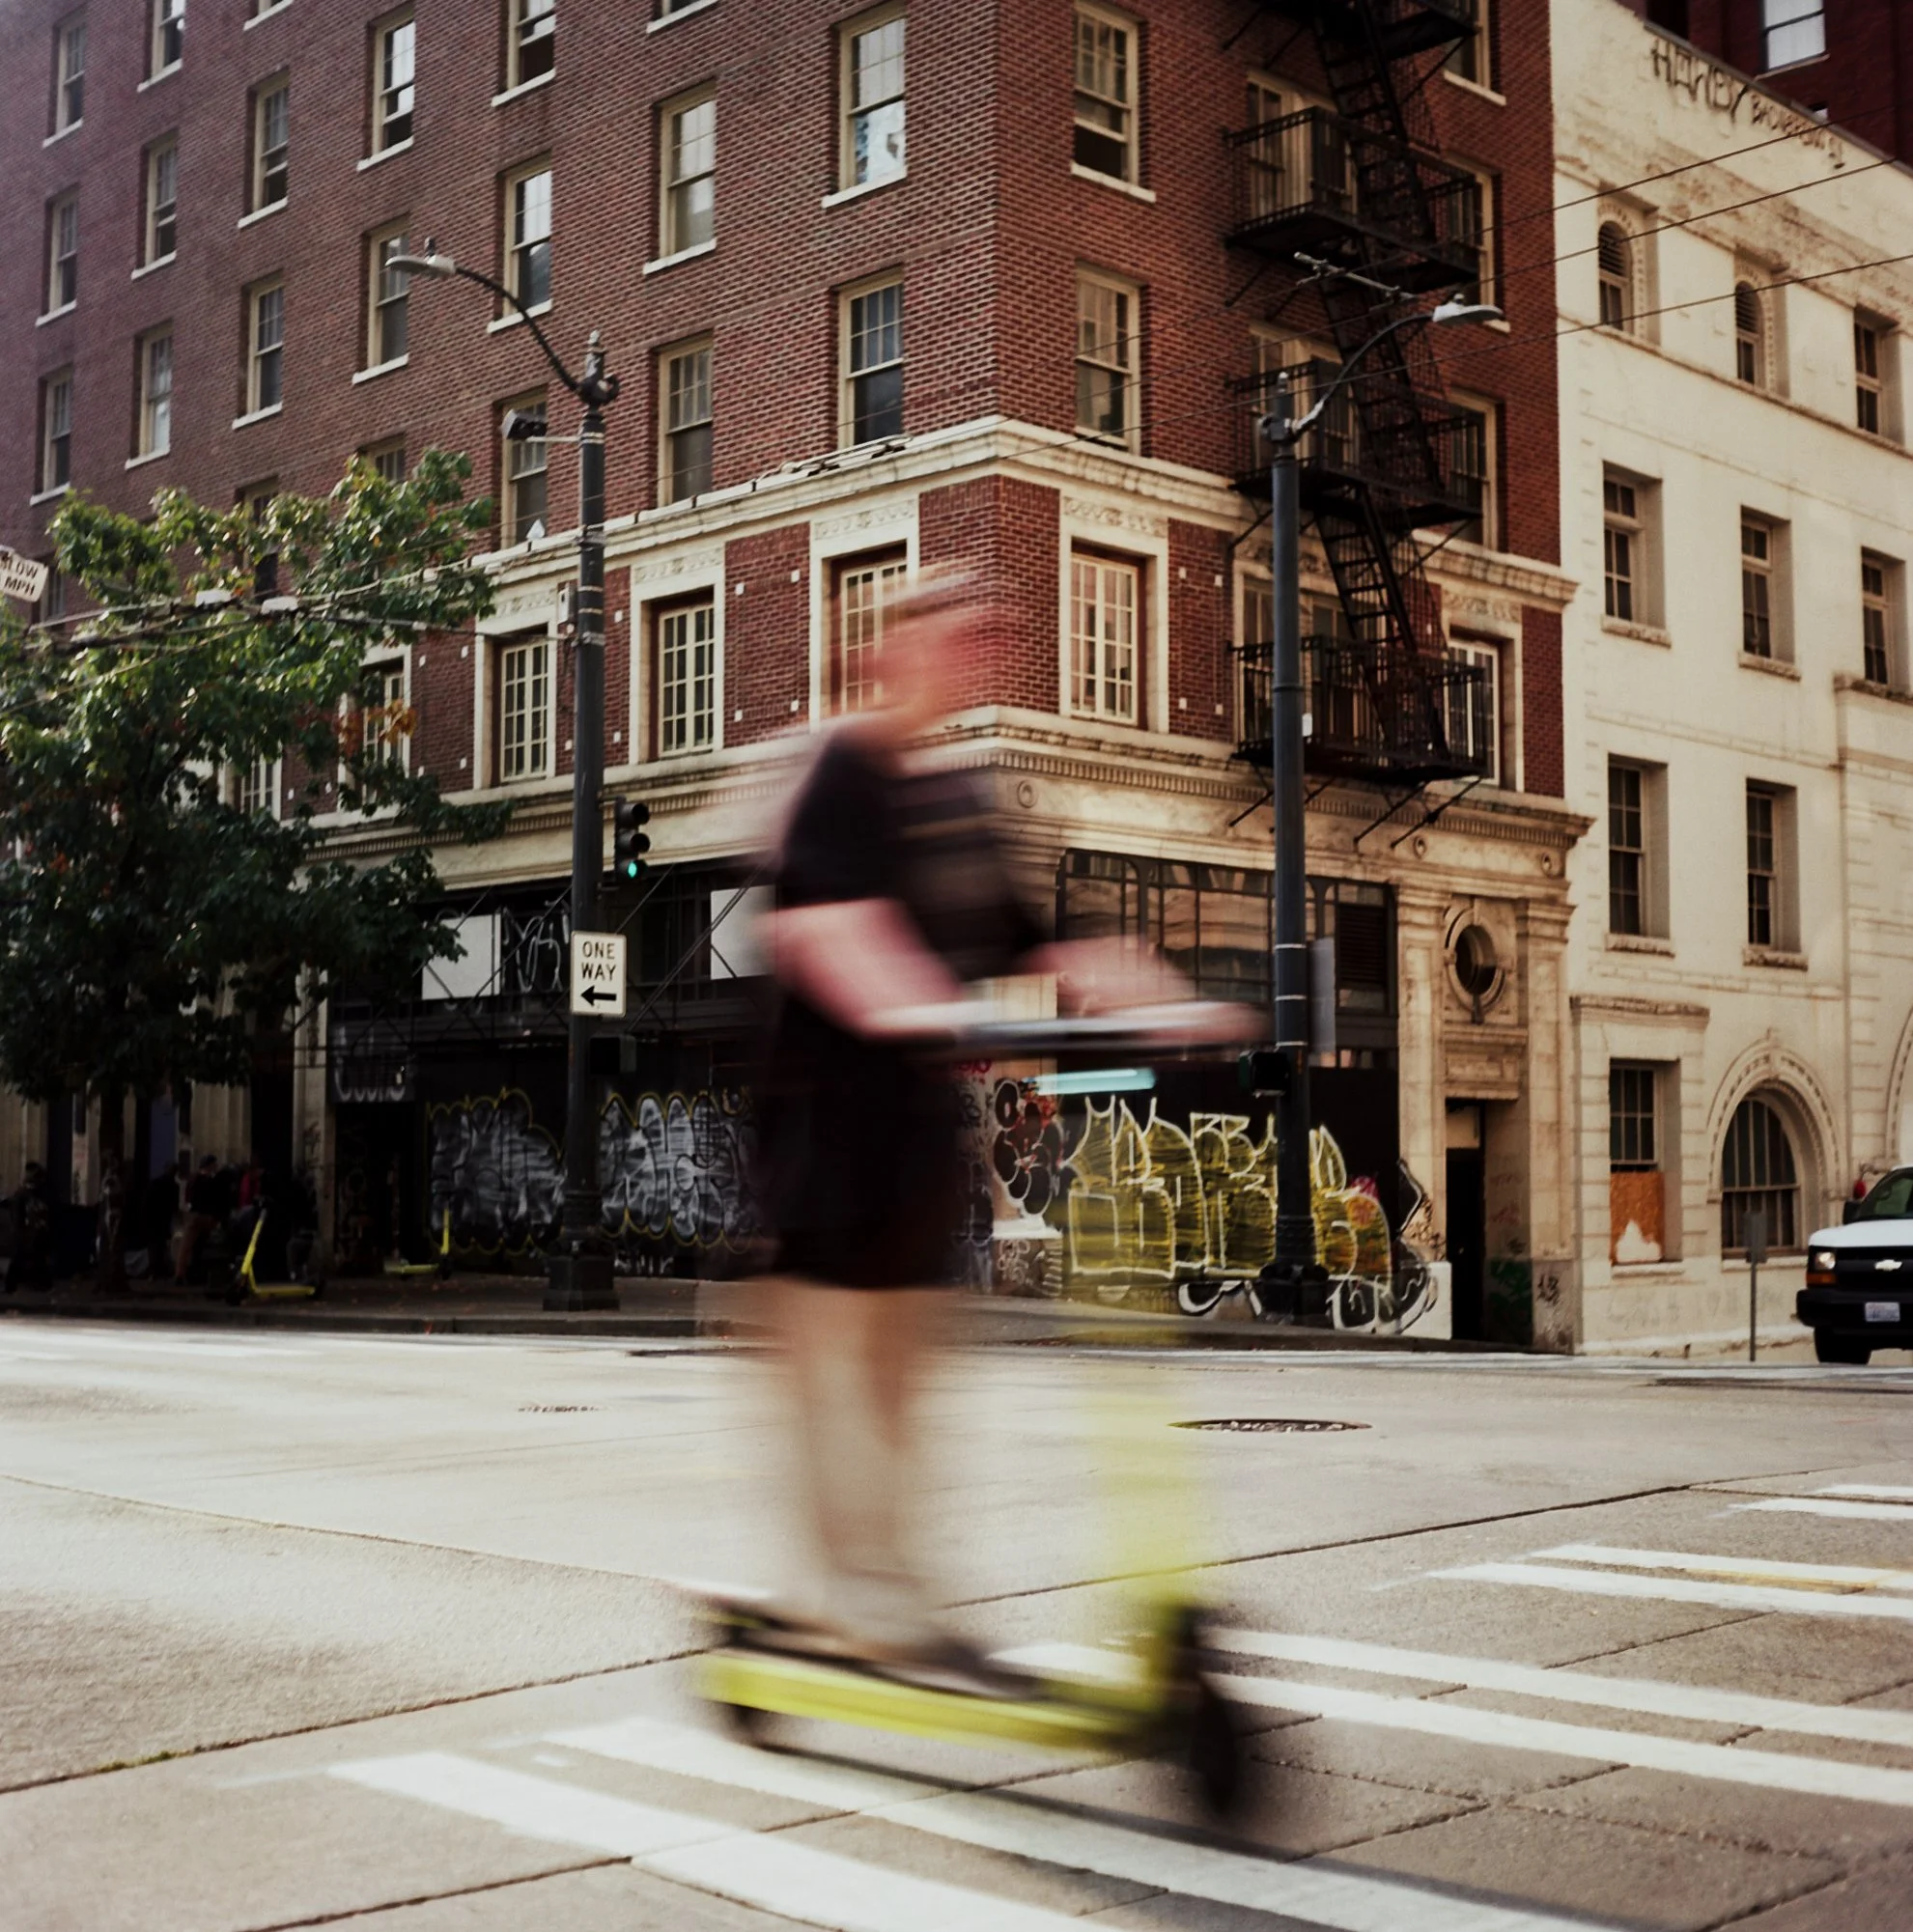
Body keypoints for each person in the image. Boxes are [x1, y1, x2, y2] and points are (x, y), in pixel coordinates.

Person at [751, 567, 1238, 1690]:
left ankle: (874, 1591)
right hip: (820, 1146)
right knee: (834, 1382)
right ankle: (844, 1597)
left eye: (982, 642)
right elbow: (825, 934)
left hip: (914, 1149)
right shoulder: (837, 773)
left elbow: (1046, 946)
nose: (968, 658)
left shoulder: (961, 802)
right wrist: (919, 1006)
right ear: (888, 648)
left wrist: (1173, 1000)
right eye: (949, 636)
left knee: (905, 1385)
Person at [174, 1155, 223, 1286]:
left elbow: (187, 1199)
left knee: (186, 1247)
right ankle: (198, 1275)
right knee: (203, 1247)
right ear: (210, 1166)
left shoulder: (193, 1180)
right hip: (206, 1216)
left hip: (193, 1215)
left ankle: (180, 1274)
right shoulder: (211, 1182)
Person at [8, 1162, 55, 1292]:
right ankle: (17, 1285)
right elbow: (18, 1213)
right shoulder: (25, 1194)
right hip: (28, 1230)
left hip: (33, 1230)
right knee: (23, 1257)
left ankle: (33, 1284)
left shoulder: (35, 1193)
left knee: (32, 1257)